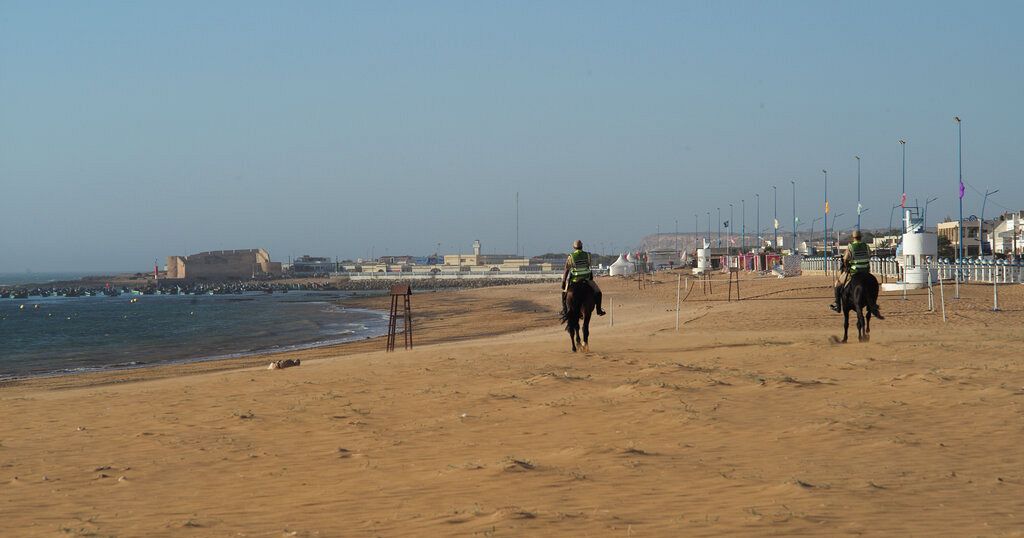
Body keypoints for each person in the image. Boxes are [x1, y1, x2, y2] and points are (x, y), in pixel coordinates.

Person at [830, 229, 872, 312]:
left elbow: (845, 259)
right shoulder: (866, 246)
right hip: (866, 271)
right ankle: (872, 303)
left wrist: (847, 265)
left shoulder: (851, 247)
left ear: (853, 238)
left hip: (855, 270)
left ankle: (838, 306)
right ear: (861, 237)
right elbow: (869, 255)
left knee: (837, 284)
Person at [562, 240, 606, 317]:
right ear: (582, 246)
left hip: (575, 280)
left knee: (564, 293)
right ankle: (599, 310)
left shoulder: (571, 256)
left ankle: (565, 310)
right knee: (598, 292)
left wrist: (563, 281)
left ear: (574, 247)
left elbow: (566, 270)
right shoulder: (587, 255)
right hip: (587, 279)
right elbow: (589, 267)